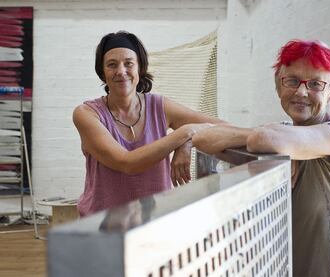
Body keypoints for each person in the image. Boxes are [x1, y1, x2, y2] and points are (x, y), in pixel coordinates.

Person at [193, 39, 330, 276]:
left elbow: (265, 140)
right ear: (278, 87)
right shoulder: (284, 132)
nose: (302, 91)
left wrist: (271, 140)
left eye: (315, 84)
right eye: (292, 81)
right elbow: (203, 139)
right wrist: (273, 141)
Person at [73, 31, 222, 217]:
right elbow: (127, 163)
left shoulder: (159, 107)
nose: (121, 71)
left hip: (155, 222)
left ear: (140, 68)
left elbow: (220, 127)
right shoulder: (87, 114)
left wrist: (187, 141)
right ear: (102, 72)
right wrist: (184, 133)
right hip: (102, 225)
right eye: (112, 65)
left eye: (129, 63)